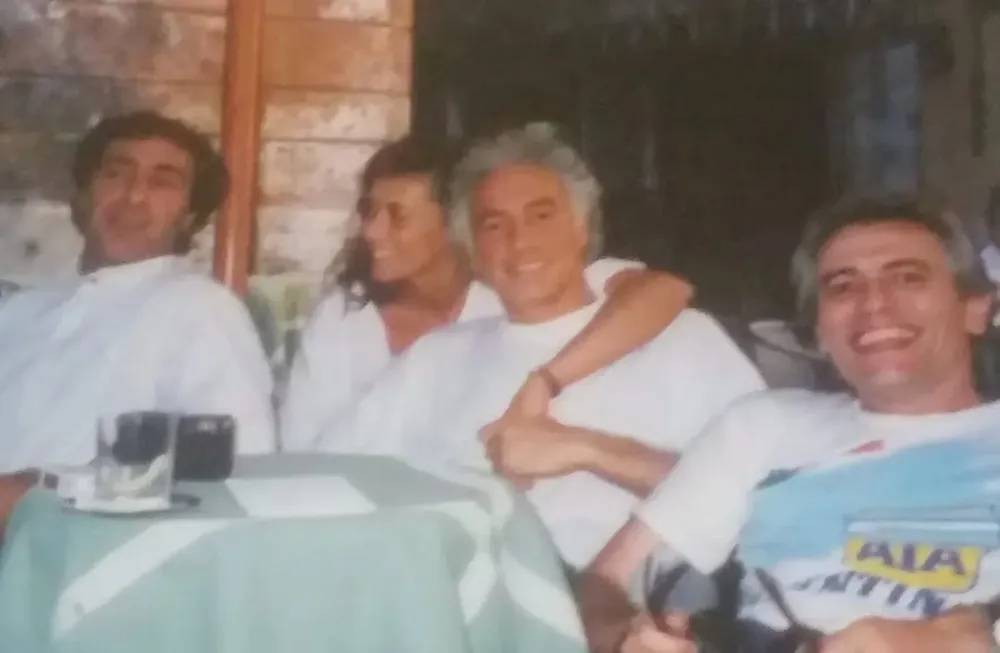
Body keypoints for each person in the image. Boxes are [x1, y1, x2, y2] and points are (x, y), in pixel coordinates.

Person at [317, 123, 764, 569]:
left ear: (581, 228)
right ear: (473, 251)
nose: (520, 240)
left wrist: (586, 450)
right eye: (494, 225)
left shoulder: (684, 339)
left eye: (541, 215)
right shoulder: (437, 359)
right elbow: (329, 477)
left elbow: (772, 495)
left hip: (622, 615)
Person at [578, 194, 1000, 653]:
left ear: (976, 308)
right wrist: (624, 638)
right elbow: (605, 582)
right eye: (843, 286)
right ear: (819, 331)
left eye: (907, 277)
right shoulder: (766, 427)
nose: (874, 303)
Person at [279, 134, 695, 451]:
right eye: (369, 212)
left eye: (397, 216)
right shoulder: (345, 318)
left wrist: (548, 381)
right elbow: (306, 451)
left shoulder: (518, 290)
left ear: (452, 226)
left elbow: (664, 290)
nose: (371, 231)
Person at [0, 112, 275, 511]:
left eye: (163, 182)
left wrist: (40, 492)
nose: (133, 196)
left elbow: (237, 471)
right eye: (115, 174)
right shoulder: (25, 309)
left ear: (191, 216)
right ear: (81, 197)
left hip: (79, 557)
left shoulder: (199, 307)